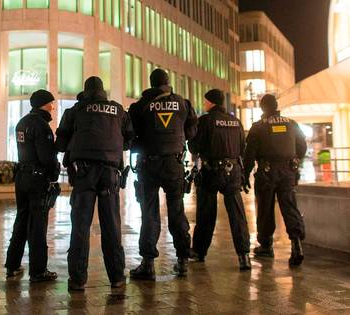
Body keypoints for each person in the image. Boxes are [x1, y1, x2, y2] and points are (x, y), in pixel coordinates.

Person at [56, 76, 134, 291]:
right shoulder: (118, 110)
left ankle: (78, 280)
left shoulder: (75, 111)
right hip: (110, 173)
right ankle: (117, 277)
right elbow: (129, 140)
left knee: (80, 227)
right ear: (103, 91)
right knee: (112, 226)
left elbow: (61, 144)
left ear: (85, 91)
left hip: (83, 173)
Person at [128, 68, 198, 280]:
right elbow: (192, 130)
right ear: (168, 82)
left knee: (149, 213)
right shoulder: (183, 104)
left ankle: (148, 263)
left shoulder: (140, 106)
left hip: (149, 165)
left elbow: (131, 136)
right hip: (174, 164)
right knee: (176, 211)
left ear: (151, 83)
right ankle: (183, 260)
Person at [187, 89, 251, 270]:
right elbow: (242, 148)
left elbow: (194, 146)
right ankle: (244, 255)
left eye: (205, 101)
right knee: (237, 214)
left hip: (211, 171)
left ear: (211, 102)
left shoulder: (205, 121)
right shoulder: (236, 121)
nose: (204, 104)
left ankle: (199, 251)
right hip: (233, 172)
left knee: (206, 213)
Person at [244, 94, 307, 266]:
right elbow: (302, 146)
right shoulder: (291, 123)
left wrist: (245, 175)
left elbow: (249, 153)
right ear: (277, 106)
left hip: (267, 171)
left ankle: (266, 246)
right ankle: (296, 244)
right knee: (289, 206)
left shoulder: (259, 127)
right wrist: (295, 162)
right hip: (288, 171)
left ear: (263, 108)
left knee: (265, 208)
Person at [5, 90, 60, 283]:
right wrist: (55, 174)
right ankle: (38, 270)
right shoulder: (41, 126)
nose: (53, 106)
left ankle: (12, 264)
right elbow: (47, 158)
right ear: (44, 104)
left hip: (22, 177)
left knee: (21, 220)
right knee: (38, 225)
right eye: (51, 103)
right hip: (37, 180)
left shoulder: (23, 122)